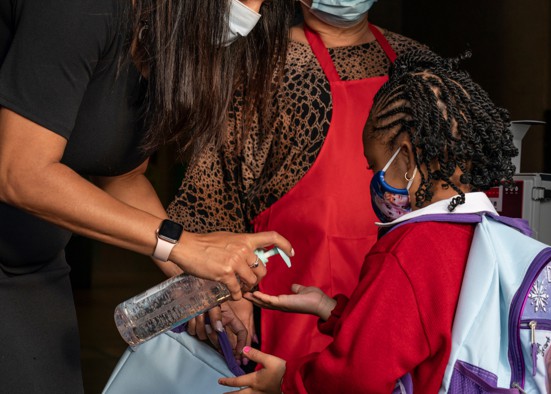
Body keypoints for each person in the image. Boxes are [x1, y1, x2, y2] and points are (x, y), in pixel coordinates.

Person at [0, 1, 294, 392]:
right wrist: (184, 245)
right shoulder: (78, 10)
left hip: (30, 262)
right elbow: (21, 173)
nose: (249, 15)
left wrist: (201, 285)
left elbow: (121, 175)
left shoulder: (163, 43)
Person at [218, 49, 519, 393]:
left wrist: (286, 381)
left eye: (374, 165)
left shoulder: (410, 249)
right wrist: (329, 308)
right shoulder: (497, 235)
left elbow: (356, 378)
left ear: (405, 158)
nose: (374, 179)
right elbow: (420, 332)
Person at [167, 0, 429, 365]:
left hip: (400, 291)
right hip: (291, 297)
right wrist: (226, 293)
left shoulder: (416, 63)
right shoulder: (262, 66)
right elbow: (212, 193)